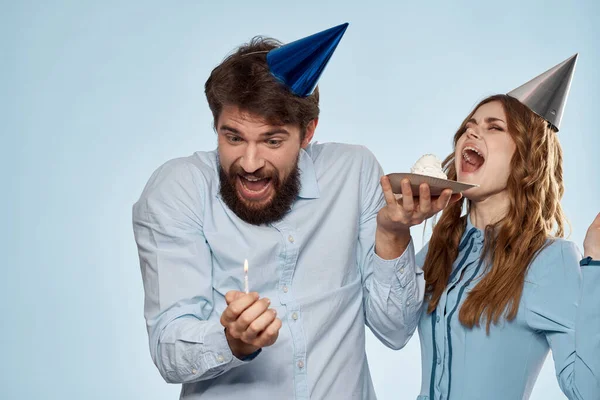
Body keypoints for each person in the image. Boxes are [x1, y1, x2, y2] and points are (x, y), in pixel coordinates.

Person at [132, 23, 456, 399]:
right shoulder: (179, 190)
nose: (250, 162)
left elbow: (395, 330)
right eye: (233, 137)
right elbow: (167, 350)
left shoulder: (353, 172)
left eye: (272, 140)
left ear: (308, 132)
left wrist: (392, 235)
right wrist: (232, 342)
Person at [380, 54, 600, 399]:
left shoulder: (550, 260)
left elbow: (588, 389)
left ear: (528, 159)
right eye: (469, 125)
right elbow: (392, 331)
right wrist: (392, 235)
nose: (471, 130)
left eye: (494, 127)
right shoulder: (442, 248)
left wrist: (597, 264)